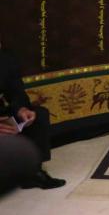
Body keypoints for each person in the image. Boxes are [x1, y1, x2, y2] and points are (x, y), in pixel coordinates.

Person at [0, 45, 65, 189]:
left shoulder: (5, 57)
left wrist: (21, 109)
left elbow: (16, 91)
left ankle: (33, 173)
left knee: (38, 115)